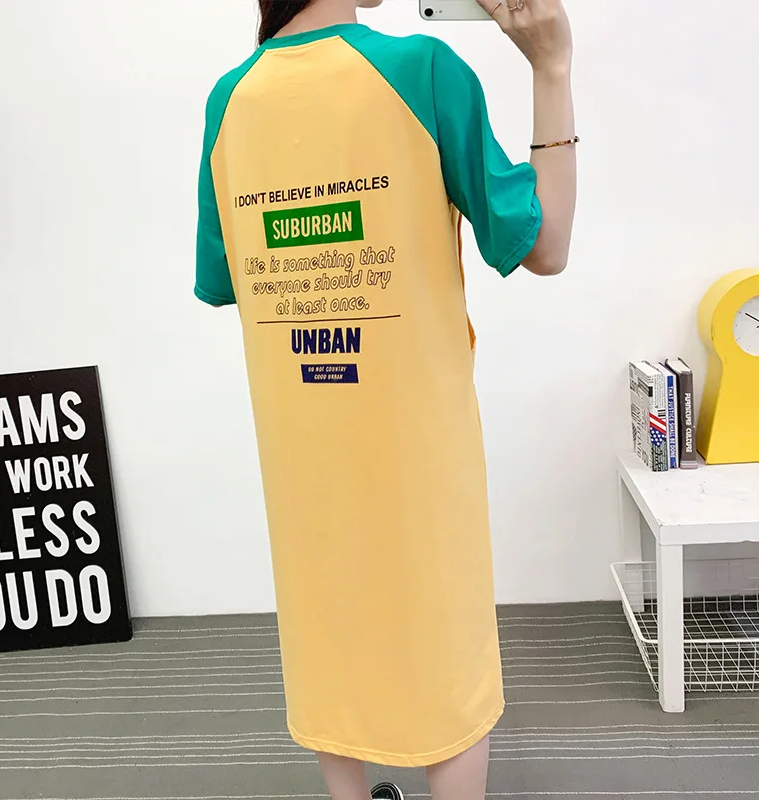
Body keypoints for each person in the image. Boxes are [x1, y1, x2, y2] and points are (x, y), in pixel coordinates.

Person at [195, 0, 576, 798]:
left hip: (302, 456)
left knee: (329, 638)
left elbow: (225, 278)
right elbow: (545, 247)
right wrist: (551, 67)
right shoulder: (424, 71)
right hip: (419, 452)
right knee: (446, 661)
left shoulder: (228, 101)